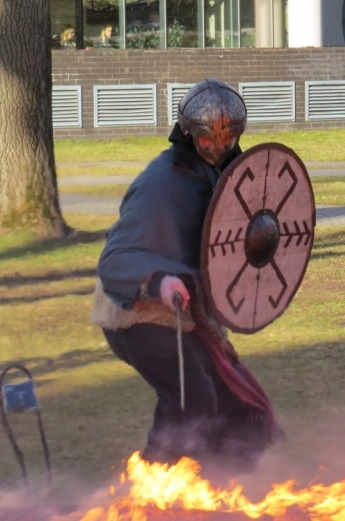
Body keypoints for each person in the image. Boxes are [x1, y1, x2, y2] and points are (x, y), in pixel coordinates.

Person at [94, 78, 280, 471]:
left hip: (188, 313)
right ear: (189, 135)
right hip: (137, 313)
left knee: (239, 410)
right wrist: (162, 280)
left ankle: (226, 491)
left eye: (226, 140)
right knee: (191, 401)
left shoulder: (223, 173)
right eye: (208, 141)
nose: (217, 148)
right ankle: (149, 495)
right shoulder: (161, 185)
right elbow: (116, 259)